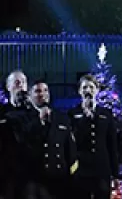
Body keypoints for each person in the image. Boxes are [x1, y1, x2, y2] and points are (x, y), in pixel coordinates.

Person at [21, 80, 78, 199]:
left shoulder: (62, 118)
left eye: (45, 90)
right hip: (35, 181)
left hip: (60, 179)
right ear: (30, 96)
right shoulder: (24, 118)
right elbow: (24, 143)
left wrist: (71, 175)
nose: (42, 94)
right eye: (37, 91)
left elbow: (70, 150)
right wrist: (39, 122)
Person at [70, 74, 120, 199]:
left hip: (102, 169)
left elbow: (112, 144)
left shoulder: (106, 114)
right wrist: (85, 118)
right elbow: (72, 141)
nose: (88, 90)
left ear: (97, 90)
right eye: (85, 87)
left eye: (91, 87)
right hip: (81, 169)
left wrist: (115, 174)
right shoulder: (72, 114)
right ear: (79, 91)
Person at [2, 69, 35, 199]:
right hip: (7, 173)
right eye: (17, 82)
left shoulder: (34, 112)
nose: (21, 85)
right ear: (8, 86)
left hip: (31, 172)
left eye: (23, 82)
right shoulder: (2, 112)